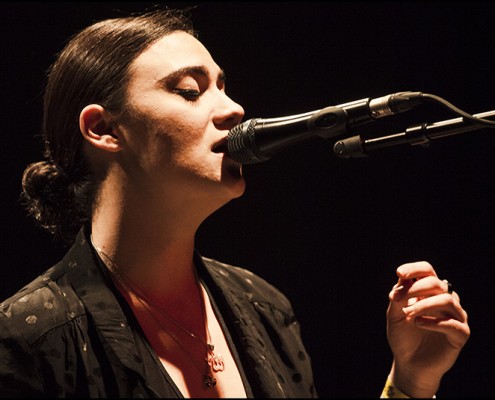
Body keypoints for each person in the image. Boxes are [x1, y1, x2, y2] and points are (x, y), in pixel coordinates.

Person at [0, 6, 470, 398]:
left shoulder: (264, 306)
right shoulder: (29, 337)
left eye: (223, 86)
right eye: (189, 90)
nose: (233, 110)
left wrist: (410, 382)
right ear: (103, 130)